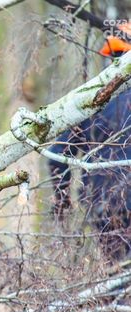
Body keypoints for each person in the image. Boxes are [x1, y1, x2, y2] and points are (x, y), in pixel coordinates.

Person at [48, 24, 131, 261]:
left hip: (103, 204)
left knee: (115, 270)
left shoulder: (90, 100)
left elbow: (57, 156)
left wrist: (62, 201)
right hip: (109, 202)